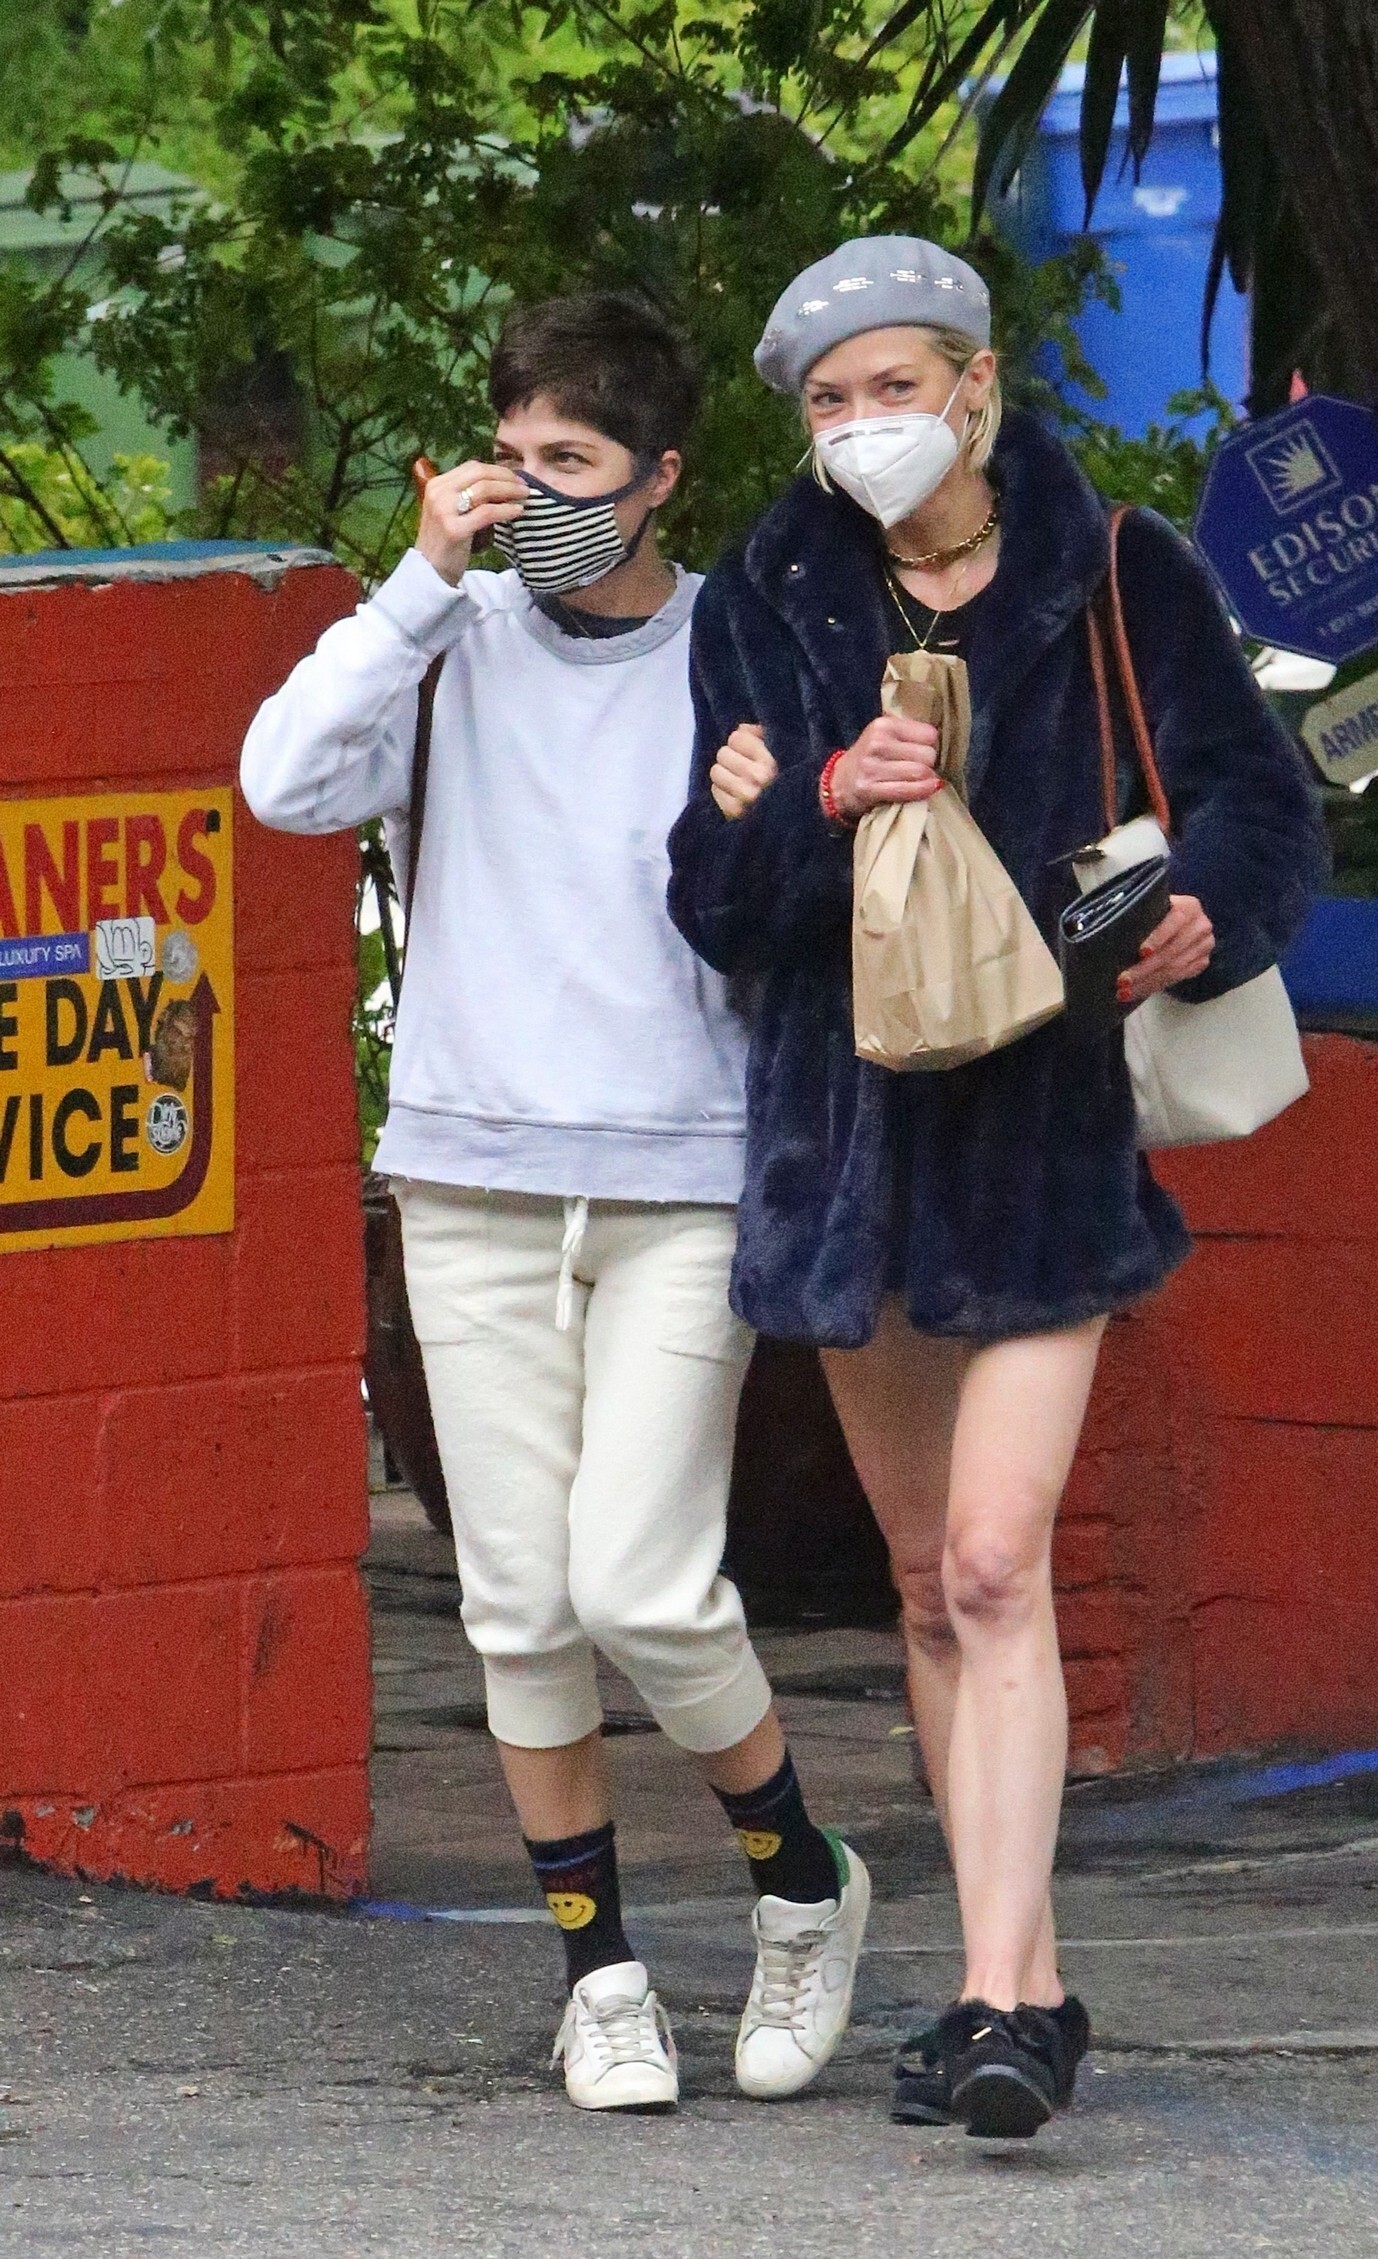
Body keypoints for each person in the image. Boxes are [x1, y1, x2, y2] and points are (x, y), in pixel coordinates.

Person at [667, 238, 1327, 2139]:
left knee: (989, 1560)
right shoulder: (771, 593)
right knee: (923, 1587)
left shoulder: (1117, 566)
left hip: (1045, 1140)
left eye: (894, 388)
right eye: (827, 402)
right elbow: (711, 894)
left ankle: (986, 1999)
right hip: (848, 1146)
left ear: (977, 387)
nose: (861, 427)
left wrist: (1206, 913)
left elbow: (1260, 806)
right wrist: (822, 799)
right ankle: (1019, 1992)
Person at [240, 291, 870, 2115]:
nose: (530, 495)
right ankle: (601, 1978)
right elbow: (281, 783)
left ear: (660, 477)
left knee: (644, 1585)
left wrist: (773, 812)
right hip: (471, 1174)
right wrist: (420, 586)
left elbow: (803, 891)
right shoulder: (449, 643)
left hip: (681, 1175)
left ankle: (801, 1879)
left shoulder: (738, 645)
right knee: (518, 1608)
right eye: (509, 458)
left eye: (572, 464)